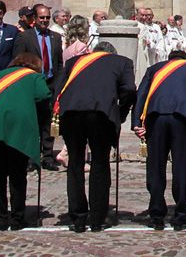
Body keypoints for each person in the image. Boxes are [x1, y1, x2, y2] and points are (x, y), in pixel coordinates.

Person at [53, 43, 136, 232]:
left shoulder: (74, 62)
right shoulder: (122, 62)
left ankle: (78, 218)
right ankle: (98, 218)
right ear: (111, 53)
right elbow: (130, 89)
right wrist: (120, 111)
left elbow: (58, 89)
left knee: (75, 163)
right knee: (100, 162)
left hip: (71, 113)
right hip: (101, 114)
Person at [0, 53, 51, 230]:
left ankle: (0, 217)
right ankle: (17, 218)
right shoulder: (34, 77)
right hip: (18, 129)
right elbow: (44, 96)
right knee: (17, 174)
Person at [132, 48, 186, 231]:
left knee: (155, 166)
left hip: (155, 118)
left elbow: (141, 95)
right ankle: (181, 215)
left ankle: (156, 215)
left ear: (168, 59)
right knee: (182, 166)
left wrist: (137, 122)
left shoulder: (154, 69)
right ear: (184, 59)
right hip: (182, 117)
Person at [14, 4, 63, 170]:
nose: (45, 21)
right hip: (31, 85)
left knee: (48, 122)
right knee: (32, 121)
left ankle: (48, 156)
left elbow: (58, 63)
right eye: (42, 17)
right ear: (34, 19)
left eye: (47, 18)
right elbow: (18, 61)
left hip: (50, 84)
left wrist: (58, 83)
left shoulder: (55, 37)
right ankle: (30, 157)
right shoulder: (25, 37)